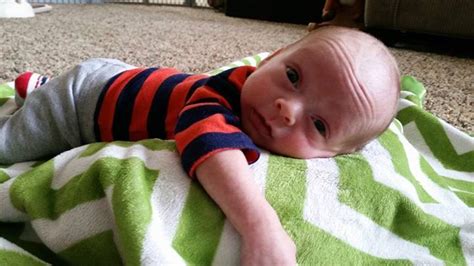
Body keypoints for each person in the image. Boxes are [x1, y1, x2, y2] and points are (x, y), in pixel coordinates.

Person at [0, 26, 400, 264]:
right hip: (83, 99)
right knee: (10, 146)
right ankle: (44, 96)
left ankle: (36, 87)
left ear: (337, 154)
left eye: (318, 123)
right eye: (292, 75)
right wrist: (263, 228)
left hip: (125, 78)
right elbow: (209, 145)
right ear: (270, 58)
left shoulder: (281, 122)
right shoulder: (220, 95)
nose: (287, 107)